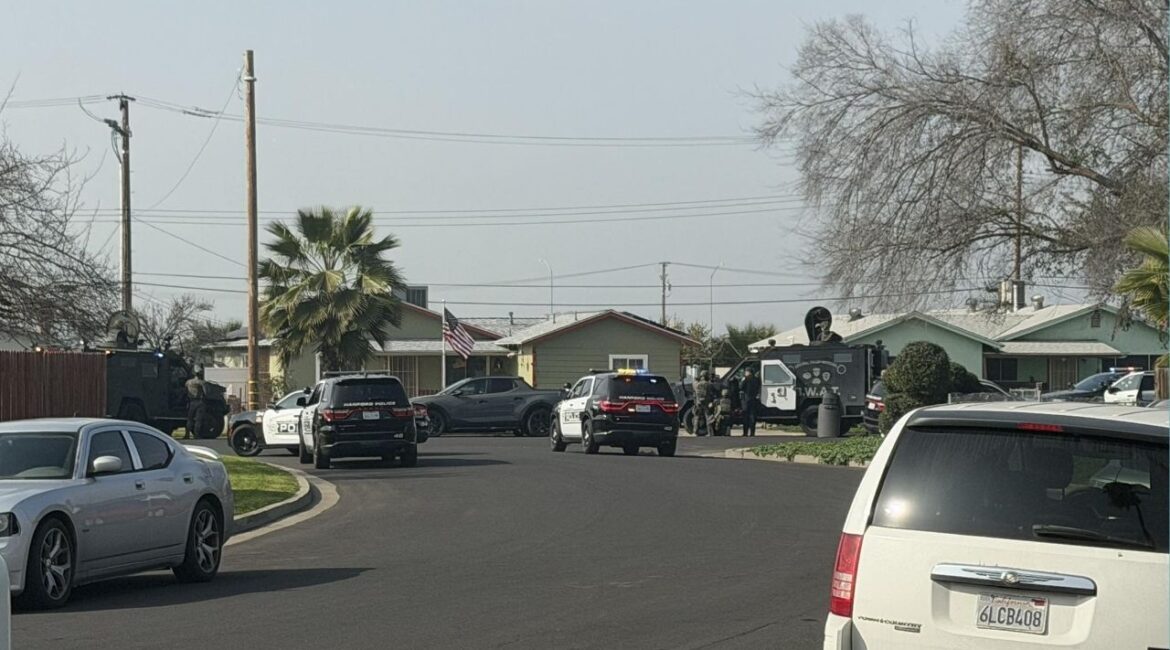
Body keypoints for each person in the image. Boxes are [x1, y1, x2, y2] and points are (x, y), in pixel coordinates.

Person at [184, 369, 207, 440]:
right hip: (199, 402)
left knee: (189, 419)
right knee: (198, 420)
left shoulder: (188, 382)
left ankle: (187, 434)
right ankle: (196, 435)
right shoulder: (201, 382)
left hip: (191, 402)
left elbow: (185, 390)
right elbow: (205, 391)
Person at [740, 368, 761, 437]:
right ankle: (752, 433)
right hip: (754, 399)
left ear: (748, 372)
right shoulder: (757, 379)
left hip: (746, 400)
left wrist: (743, 380)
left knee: (745, 416)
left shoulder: (746, 379)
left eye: (746, 372)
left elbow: (741, 387)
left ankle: (745, 432)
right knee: (752, 416)